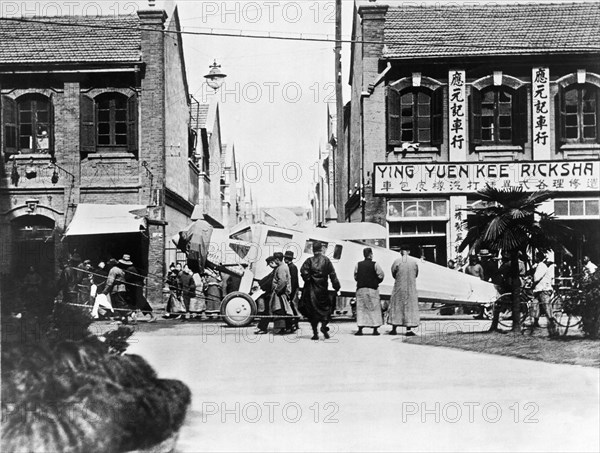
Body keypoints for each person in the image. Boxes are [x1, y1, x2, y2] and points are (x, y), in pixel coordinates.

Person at [299, 241, 341, 340]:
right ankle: (323, 326)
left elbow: (303, 271)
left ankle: (315, 333)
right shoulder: (326, 261)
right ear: (321, 249)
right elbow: (333, 275)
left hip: (311, 290)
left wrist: (309, 279)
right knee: (325, 309)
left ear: (313, 250)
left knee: (312, 311)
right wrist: (337, 287)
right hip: (322, 289)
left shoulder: (309, 260)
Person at [389, 244, 419, 336]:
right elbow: (416, 274)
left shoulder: (397, 261)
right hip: (410, 287)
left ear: (400, 251)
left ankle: (394, 328)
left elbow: (393, 273)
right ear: (409, 251)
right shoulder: (414, 262)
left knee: (396, 306)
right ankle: (408, 330)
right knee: (409, 308)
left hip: (399, 287)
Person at [354, 247, 385, 336]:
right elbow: (381, 275)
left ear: (364, 255)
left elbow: (355, 276)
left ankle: (360, 329)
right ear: (371, 254)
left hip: (361, 288)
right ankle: (375, 329)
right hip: (372, 289)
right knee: (374, 308)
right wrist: (376, 281)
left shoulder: (358, 264)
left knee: (361, 309)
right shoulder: (375, 264)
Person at [124, 257, 157, 323]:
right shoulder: (132, 268)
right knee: (133, 301)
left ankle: (153, 315)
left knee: (140, 300)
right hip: (134, 287)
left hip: (135, 287)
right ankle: (134, 317)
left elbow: (127, 278)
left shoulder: (130, 269)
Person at [531, 252, 556, 331]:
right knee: (536, 305)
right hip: (539, 289)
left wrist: (532, 281)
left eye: (536, 257)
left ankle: (552, 321)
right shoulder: (540, 265)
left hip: (543, 288)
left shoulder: (541, 266)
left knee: (546, 305)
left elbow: (536, 277)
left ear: (538, 258)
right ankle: (536, 321)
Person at [103, 256, 131, 324]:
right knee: (121, 303)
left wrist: (105, 291)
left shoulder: (113, 270)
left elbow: (110, 281)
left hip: (116, 289)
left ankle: (129, 314)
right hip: (122, 288)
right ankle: (122, 318)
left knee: (118, 303)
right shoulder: (121, 270)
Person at [255, 256, 278, 334]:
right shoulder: (275, 270)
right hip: (270, 293)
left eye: (270, 264)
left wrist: (262, 286)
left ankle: (263, 328)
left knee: (267, 311)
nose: (270, 266)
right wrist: (259, 283)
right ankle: (262, 327)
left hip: (272, 293)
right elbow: (267, 278)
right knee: (267, 311)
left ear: (272, 262)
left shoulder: (276, 270)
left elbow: (270, 281)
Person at [284, 250, 300, 332]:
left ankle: (294, 323)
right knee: (292, 307)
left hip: (293, 290)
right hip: (293, 289)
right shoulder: (290, 266)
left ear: (288, 259)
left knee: (292, 306)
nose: (284, 259)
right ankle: (295, 323)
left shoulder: (292, 267)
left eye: (286, 258)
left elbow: (293, 281)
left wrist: (290, 293)